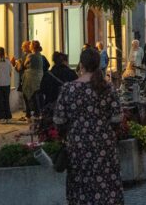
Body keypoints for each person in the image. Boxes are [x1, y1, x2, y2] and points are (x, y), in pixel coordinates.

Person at [53, 48, 123, 205]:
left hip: (78, 146)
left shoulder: (68, 89)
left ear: (81, 65)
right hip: (104, 144)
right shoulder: (106, 87)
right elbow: (117, 116)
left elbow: (58, 120)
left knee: (80, 185)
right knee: (106, 184)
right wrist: (106, 128)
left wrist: (70, 131)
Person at [22, 41, 45, 118]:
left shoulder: (31, 55)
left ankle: (33, 113)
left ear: (32, 47)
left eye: (30, 45)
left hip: (31, 78)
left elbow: (24, 65)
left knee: (31, 96)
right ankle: (38, 113)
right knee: (36, 96)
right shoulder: (40, 55)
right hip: (39, 78)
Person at [12, 41, 31, 120]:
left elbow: (22, 67)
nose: (21, 48)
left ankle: (30, 114)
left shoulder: (30, 56)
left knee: (29, 98)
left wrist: (19, 64)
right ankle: (28, 114)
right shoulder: (25, 56)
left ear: (28, 46)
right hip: (24, 78)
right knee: (26, 97)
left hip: (28, 80)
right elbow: (19, 69)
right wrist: (16, 65)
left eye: (23, 46)